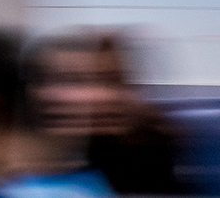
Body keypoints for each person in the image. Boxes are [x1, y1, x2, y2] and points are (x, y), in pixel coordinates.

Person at [24, 30, 184, 195]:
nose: (100, 95)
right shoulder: (23, 171)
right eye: (73, 80)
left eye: (112, 79)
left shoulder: (153, 153)